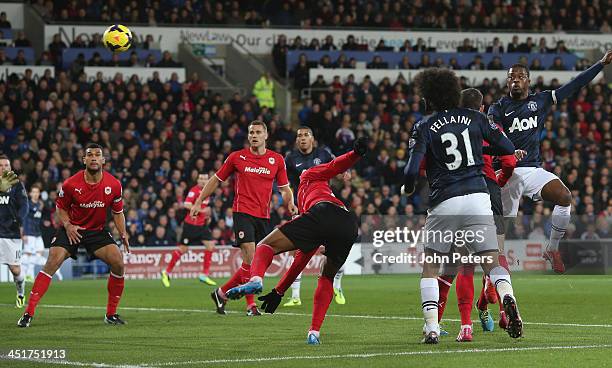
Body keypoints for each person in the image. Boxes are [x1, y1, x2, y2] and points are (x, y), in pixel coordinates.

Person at [402, 68, 522, 344]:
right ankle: (507, 298)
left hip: (444, 200)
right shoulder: (476, 118)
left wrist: (408, 188)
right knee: (491, 261)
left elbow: (410, 172)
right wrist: (482, 153)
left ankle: (432, 327)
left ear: (430, 98)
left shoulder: (424, 125)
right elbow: (506, 146)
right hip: (479, 197)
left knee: (432, 265)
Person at [225, 137, 368, 345]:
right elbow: (301, 260)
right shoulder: (310, 204)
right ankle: (314, 333)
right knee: (327, 277)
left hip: (323, 212)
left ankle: (256, 279)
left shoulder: (310, 177)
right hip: (348, 224)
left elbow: (334, 166)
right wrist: (279, 291)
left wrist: (354, 154)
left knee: (265, 245)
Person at [488, 50, 612, 274]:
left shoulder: (541, 100)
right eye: (511, 77)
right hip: (507, 170)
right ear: (507, 82)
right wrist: (509, 150)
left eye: (519, 76)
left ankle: (552, 248)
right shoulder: (497, 108)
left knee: (565, 197)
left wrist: (600, 64)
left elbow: (574, 85)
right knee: (504, 224)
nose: (515, 80)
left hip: (532, 170)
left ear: (528, 80)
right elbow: (495, 134)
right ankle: (497, 265)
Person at [435, 88, 524, 342]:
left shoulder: (448, 128)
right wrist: (499, 179)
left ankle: (465, 327)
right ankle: (499, 300)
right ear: (482, 107)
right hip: (490, 192)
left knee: (461, 262)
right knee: (495, 256)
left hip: (461, 191)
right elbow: (509, 161)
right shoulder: (489, 125)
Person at [190, 121, 297, 316]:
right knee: (250, 254)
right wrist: (199, 201)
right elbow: (216, 180)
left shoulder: (277, 159)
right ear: (248, 136)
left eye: (258, 132)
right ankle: (251, 305)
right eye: (251, 133)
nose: (254, 135)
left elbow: (284, 188)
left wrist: (289, 202)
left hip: (263, 216)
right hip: (242, 212)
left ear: (266, 135)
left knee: (255, 263)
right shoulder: (236, 157)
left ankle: (221, 293)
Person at [18, 144, 129, 327]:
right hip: (72, 229)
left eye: (97, 155)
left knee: (118, 263)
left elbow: (118, 212)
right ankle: (28, 313)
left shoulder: (114, 185)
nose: (93, 158)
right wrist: (68, 225)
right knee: (52, 262)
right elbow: (60, 207)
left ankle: (111, 314)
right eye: (89, 155)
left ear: (103, 160)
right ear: (83, 160)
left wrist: (123, 233)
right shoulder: (71, 184)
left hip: (96, 231)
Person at [283, 127, 349, 307]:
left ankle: (337, 285)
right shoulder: (290, 159)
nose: (302, 138)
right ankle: (295, 296)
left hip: (324, 205)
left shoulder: (324, 154)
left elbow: (340, 165)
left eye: (306, 135)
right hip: (303, 207)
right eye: (299, 136)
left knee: (336, 249)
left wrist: (344, 173)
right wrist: (290, 201)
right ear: (296, 141)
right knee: (296, 250)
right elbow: (286, 184)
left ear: (312, 139)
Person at [161, 173, 217, 286]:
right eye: (201, 178)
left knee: (210, 246)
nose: (203, 181)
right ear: (197, 180)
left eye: (205, 179)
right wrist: (201, 211)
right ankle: (166, 272)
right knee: (183, 249)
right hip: (190, 225)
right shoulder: (194, 191)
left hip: (202, 225)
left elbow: (206, 207)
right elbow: (186, 204)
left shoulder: (208, 191)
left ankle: (204, 275)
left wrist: (207, 216)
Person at [0, 158, 28, 308]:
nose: (3, 168)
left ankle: (21, 293)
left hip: (10, 232)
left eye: (6, 165)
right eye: (1, 165)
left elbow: (24, 205)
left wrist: (19, 220)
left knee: (15, 270)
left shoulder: (17, 185)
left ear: (10, 168)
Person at [22, 185, 46, 283]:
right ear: (30, 193)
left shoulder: (39, 205)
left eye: (37, 192)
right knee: (28, 254)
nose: (35, 194)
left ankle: (27, 274)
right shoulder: (28, 204)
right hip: (29, 233)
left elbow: (38, 218)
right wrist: (23, 233)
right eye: (34, 192)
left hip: (37, 233)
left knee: (40, 252)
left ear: (39, 194)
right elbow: (23, 218)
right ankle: (26, 274)